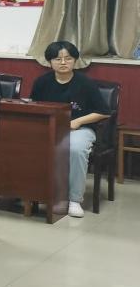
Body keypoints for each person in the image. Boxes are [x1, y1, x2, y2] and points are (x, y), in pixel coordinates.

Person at [30, 41, 109, 218]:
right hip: (50, 127)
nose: (63, 62)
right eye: (58, 59)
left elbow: (103, 112)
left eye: (68, 58)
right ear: (50, 62)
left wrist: (78, 121)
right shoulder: (42, 82)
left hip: (81, 129)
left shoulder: (85, 83)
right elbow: (35, 106)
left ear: (75, 60)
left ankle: (74, 200)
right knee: (26, 143)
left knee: (75, 149)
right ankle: (36, 192)